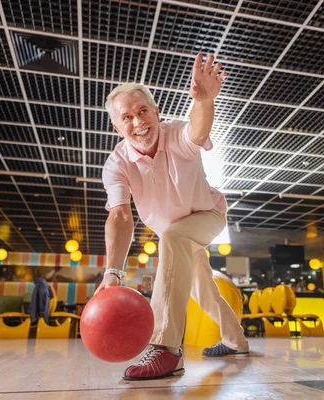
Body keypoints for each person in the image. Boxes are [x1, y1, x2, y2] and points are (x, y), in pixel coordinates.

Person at [96, 53, 249, 381]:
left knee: (174, 237)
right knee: (202, 289)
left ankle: (166, 348)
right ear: (116, 126)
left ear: (156, 112)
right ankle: (237, 341)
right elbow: (121, 216)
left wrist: (205, 102)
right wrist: (112, 272)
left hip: (207, 215)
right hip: (177, 235)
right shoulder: (116, 165)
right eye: (127, 117)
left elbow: (196, 129)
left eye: (143, 111)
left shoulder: (176, 135)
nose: (138, 122)